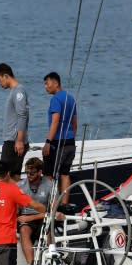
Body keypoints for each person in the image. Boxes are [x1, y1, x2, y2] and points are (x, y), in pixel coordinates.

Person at [43, 71, 78, 205]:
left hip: (57, 143)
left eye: (47, 83)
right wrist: (71, 138)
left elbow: (55, 121)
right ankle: (64, 204)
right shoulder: (71, 98)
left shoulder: (56, 99)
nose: (46, 87)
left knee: (48, 175)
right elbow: (75, 123)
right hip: (70, 142)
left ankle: (52, 205)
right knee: (65, 174)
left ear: (56, 83)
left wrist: (48, 142)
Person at [0, 62, 29, 181]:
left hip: (13, 141)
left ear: (5, 76)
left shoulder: (19, 91)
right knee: (14, 176)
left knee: (3, 176)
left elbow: (22, 115)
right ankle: (17, 198)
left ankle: (15, 198)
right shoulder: (14, 91)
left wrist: (19, 140)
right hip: (12, 141)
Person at [17, 157, 53, 264]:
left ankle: (50, 261)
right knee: (24, 230)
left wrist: (31, 217)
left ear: (40, 172)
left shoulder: (50, 185)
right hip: (26, 217)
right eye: (26, 173)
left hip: (44, 217)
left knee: (47, 231)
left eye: (32, 173)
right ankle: (31, 264)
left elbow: (52, 211)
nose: (28, 175)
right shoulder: (20, 186)